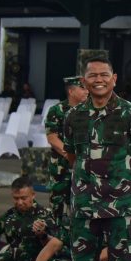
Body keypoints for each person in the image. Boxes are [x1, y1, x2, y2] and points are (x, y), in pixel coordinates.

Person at [63, 56, 131, 261]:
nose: (99, 80)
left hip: (122, 209)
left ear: (113, 79)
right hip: (85, 207)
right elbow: (73, 157)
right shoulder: (74, 116)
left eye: (104, 74)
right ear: (84, 81)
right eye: (92, 75)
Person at [45, 76, 89, 220]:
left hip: (84, 167)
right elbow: (52, 138)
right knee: (57, 206)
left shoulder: (90, 111)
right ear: (71, 91)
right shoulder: (57, 110)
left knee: (82, 205)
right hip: (61, 167)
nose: (87, 91)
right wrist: (70, 154)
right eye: (82, 88)